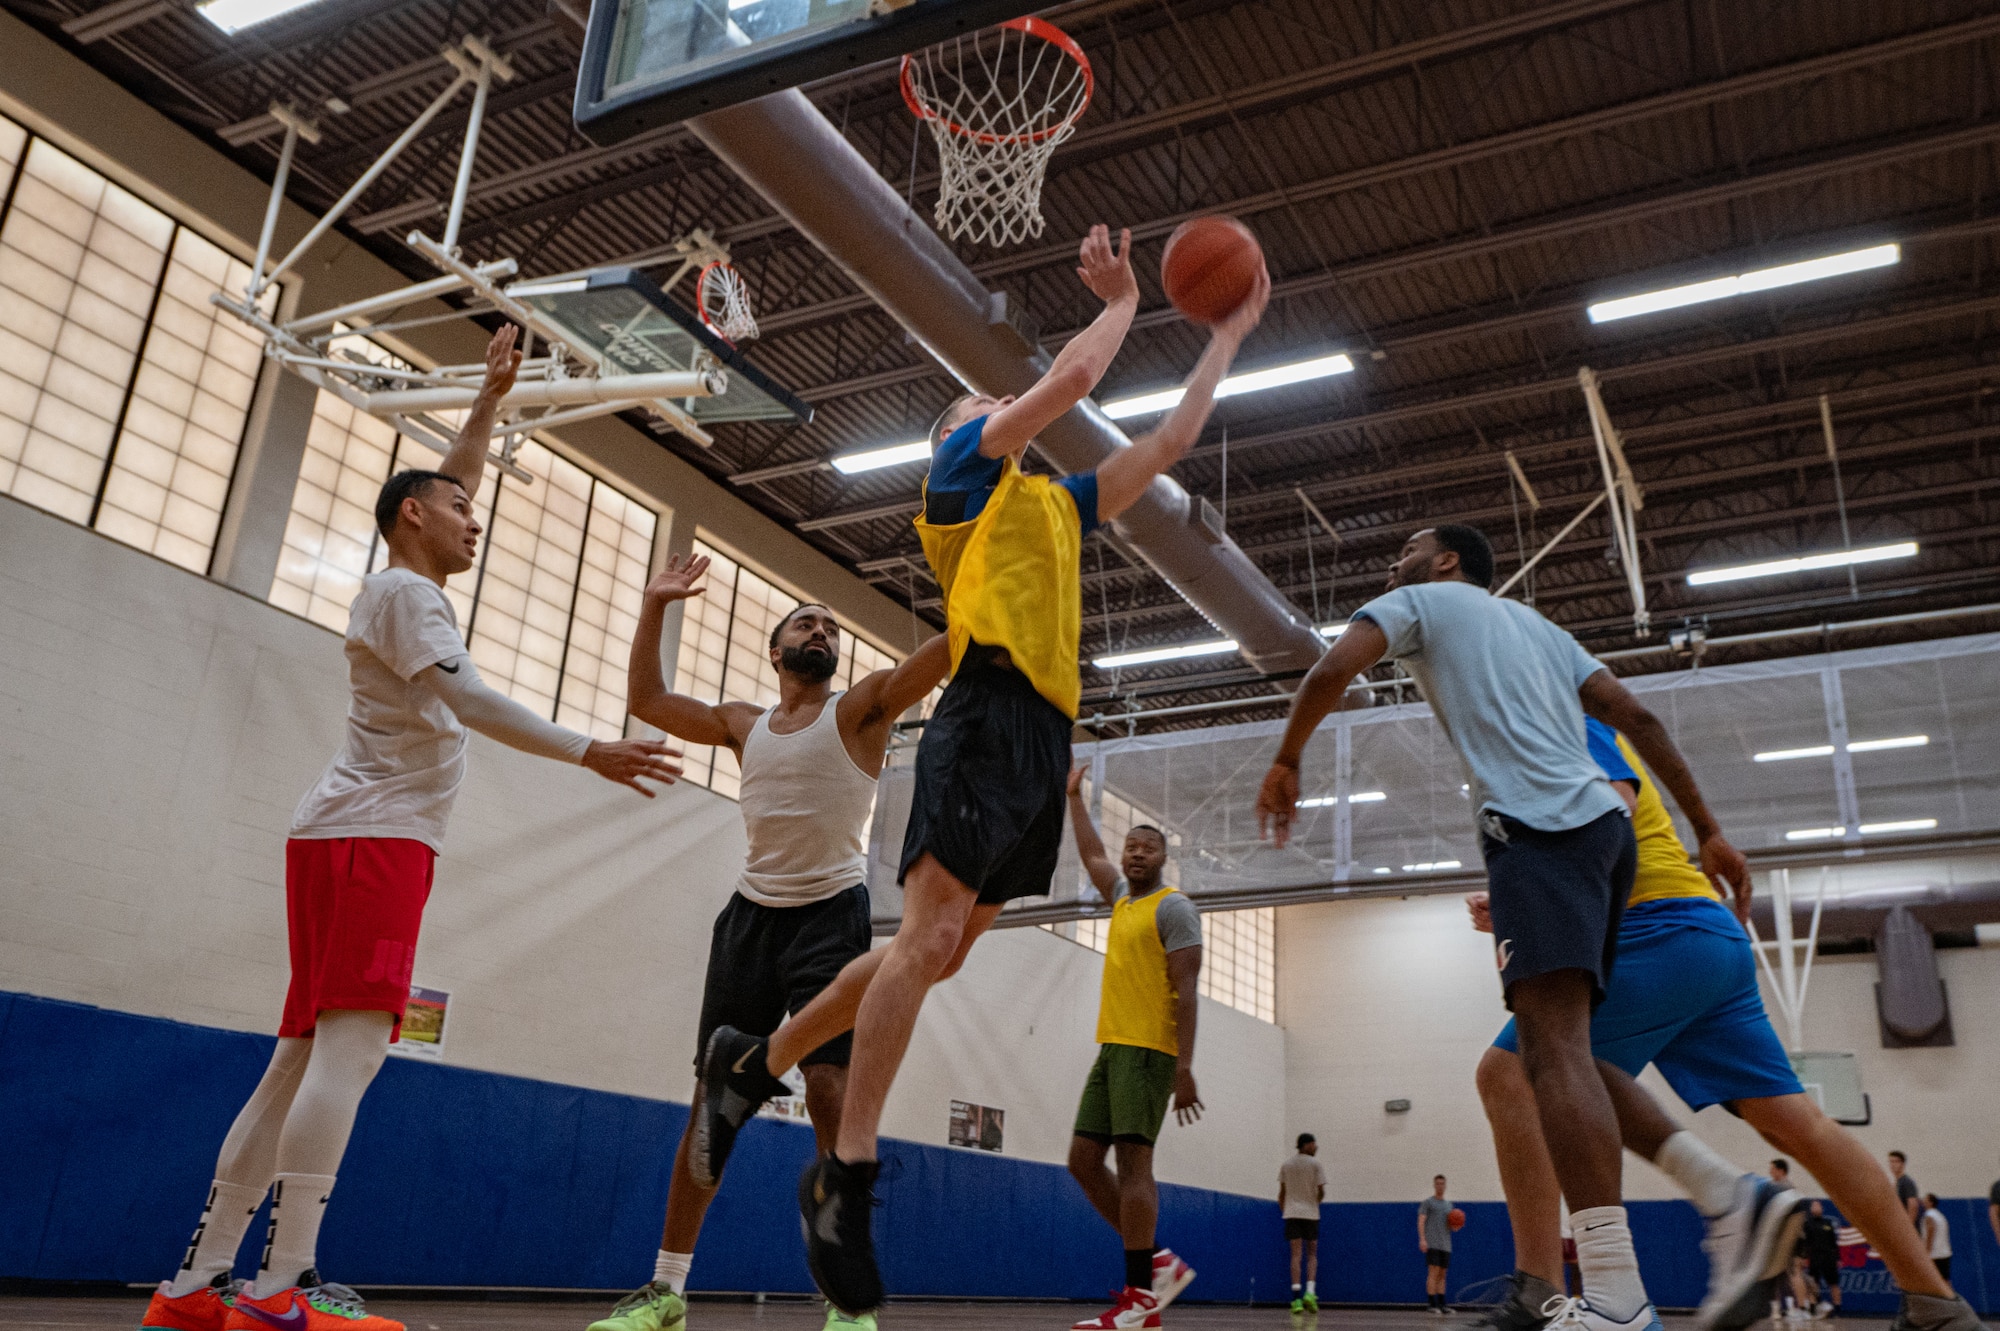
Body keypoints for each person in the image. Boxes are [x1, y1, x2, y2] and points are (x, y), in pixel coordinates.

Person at [694, 224, 1270, 1319]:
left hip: (1040, 741)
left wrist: (1227, 335)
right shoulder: (961, 474)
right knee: (922, 937)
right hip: (985, 713)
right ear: (955, 435)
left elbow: (1165, 444)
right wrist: (1119, 301)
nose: (981, 408)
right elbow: (1068, 377)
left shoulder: (1058, 506)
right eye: (969, 403)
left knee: (940, 955)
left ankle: (751, 1062)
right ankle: (845, 1171)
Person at [142, 327, 684, 1331]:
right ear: (412, 515)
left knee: (301, 1055)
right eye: (461, 506)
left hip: (347, 837)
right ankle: (280, 1286)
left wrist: (487, 400)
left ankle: (196, 1282)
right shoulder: (406, 594)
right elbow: (471, 700)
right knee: (347, 1052)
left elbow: (447, 479)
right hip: (374, 841)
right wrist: (588, 750)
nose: (476, 518)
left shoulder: (402, 583)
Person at [1257, 524, 1749, 1331]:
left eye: (1410, 546)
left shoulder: (1413, 600)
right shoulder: (1541, 628)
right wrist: (1709, 828)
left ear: (1447, 561)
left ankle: (1621, 1298)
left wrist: (1287, 758)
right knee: (1565, 1054)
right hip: (1605, 836)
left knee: (1548, 1056)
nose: (1394, 559)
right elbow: (1640, 716)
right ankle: (1687, 1216)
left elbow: (1332, 668)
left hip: (1539, 829)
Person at [1466, 715, 1986, 1331]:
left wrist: (1535, 898)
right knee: (1799, 1123)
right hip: (1704, 936)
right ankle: (1934, 1303)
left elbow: (1612, 812)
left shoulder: (1553, 717)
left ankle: (1542, 1292)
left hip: (1650, 928)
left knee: (1515, 1073)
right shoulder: (1535, 734)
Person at [582, 558, 952, 1331]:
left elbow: (944, 653)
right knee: (712, 1105)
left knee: (826, 1089)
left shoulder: (859, 709)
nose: (821, 628)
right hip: (750, 919)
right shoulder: (742, 723)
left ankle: (845, 1304)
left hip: (832, 916)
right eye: (806, 621)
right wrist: (653, 603)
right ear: (776, 649)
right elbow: (646, 700)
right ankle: (667, 1289)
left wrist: (987, 582)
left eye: (831, 626)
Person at [1061, 765, 1204, 1330]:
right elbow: (1092, 853)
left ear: (1162, 858)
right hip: (1112, 1047)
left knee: (1134, 1164)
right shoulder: (1121, 897)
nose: (1136, 854)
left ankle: (1142, 1300)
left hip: (1149, 1051)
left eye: (1148, 848)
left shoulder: (1174, 908)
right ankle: (1156, 1262)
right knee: (1080, 1162)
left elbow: (1188, 991)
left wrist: (1184, 1067)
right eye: (1131, 846)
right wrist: (1074, 797)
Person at [1280, 1135, 1326, 1314]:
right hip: (1311, 1214)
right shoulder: (1316, 1165)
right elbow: (1321, 1191)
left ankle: (1296, 1299)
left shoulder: (1286, 1165)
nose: (1316, 1147)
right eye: (1314, 1144)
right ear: (1306, 1145)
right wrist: (1316, 1201)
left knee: (1295, 1256)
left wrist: (1286, 1211)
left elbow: (1281, 1194)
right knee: (1312, 1254)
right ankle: (1310, 1293)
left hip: (1291, 1214)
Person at [1799, 1200, 1841, 1319]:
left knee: (1833, 1283)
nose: (1816, 1208)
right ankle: (1813, 1308)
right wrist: (1804, 1257)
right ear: (1811, 1209)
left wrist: (1837, 1258)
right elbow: (1804, 1243)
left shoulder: (1828, 1223)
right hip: (1814, 1257)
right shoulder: (1807, 1224)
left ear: (1822, 1208)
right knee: (1813, 1283)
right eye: (1814, 1206)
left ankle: (1837, 1308)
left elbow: (1834, 1242)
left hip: (1829, 1257)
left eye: (1818, 1206)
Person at [1420, 1175, 1455, 1314]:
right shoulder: (1428, 1203)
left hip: (1445, 1244)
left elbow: (1450, 1224)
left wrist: (1455, 1226)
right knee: (1433, 1273)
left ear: (1445, 1186)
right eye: (1438, 1184)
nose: (1440, 1186)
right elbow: (1421, 1221)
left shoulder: (1449, 1205)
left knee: (1443, 1274)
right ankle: (1431, 1304)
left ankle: (1442, 1304)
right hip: (1432, 1243)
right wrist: (1423, 1239)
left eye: (1442, 1184)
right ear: (1434, 1185)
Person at [1922, 1196, 1952, 1284]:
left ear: (1931, 1202)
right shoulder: (1940, 1216)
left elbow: (1931, 1230)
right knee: (1946, 1282)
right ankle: (1951, 1297)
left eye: (1925, 1200)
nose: (1923, 1201)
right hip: (1945, 1253)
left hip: (1934, 1255)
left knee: (1932, 1283)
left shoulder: (1929, 1215)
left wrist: (1927, 1252)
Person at [1892, 1153, 1922, 1230]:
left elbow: (1913, 1206)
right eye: (1891, 1161)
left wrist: (1908, 1228)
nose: (1893, 1164)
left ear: (1902, 1164)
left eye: (1896, 1161)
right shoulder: (1896, 1183)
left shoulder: (1907, 1182)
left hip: (1908, 1230)